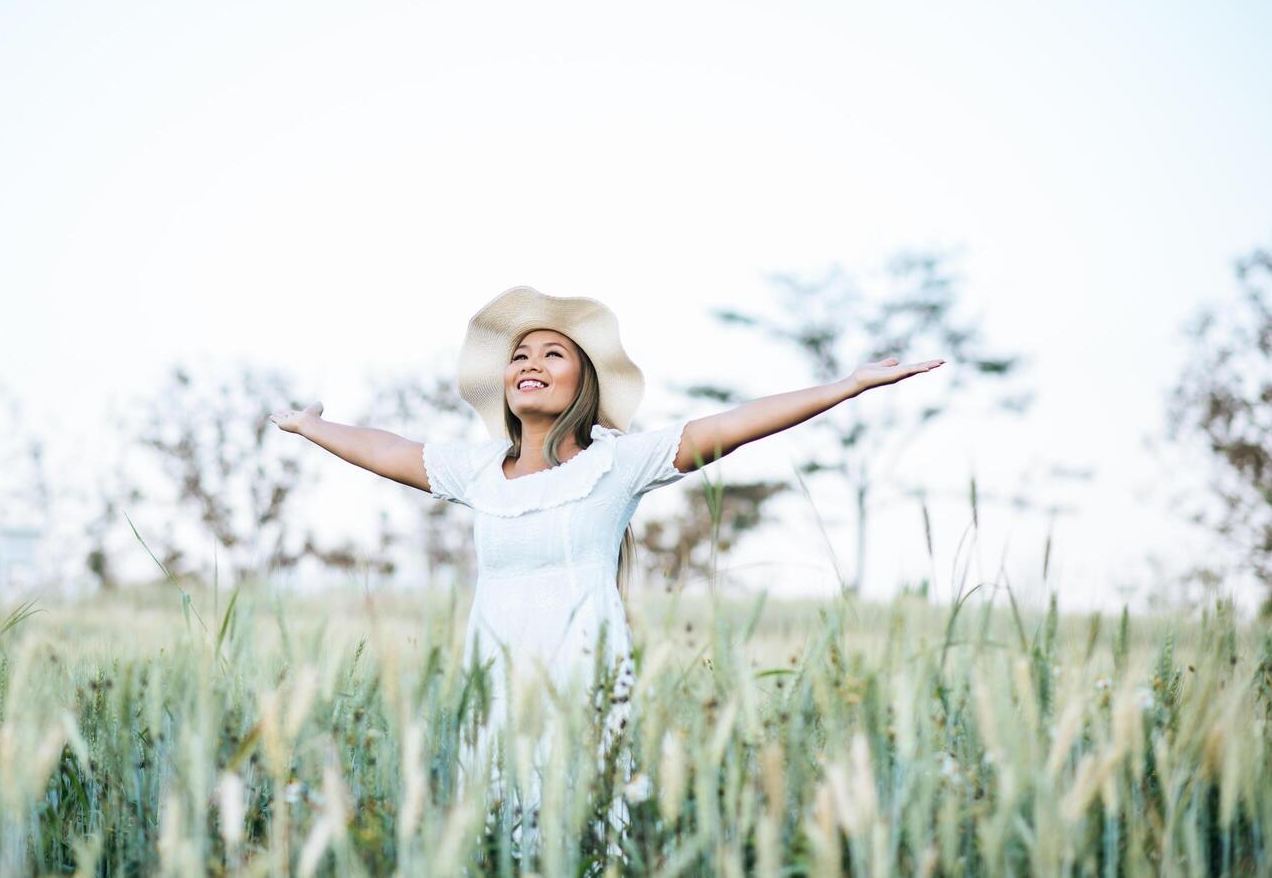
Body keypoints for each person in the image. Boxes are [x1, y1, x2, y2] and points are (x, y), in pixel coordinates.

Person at [269, 285, 945, 865]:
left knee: (581, 827)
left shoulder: (616, 463)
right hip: (495, 678)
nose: (530, 363)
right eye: (519, 355)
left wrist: (846, 386)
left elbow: (734, 424)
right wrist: (310, 427)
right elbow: (388, 450)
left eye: (551, 353)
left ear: (581, 383)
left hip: (583, 676)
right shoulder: (475, 472)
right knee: (496, 830)